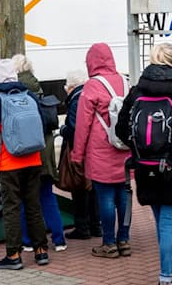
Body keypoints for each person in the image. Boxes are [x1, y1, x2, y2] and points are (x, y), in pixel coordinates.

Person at [115, 43, 172, 285]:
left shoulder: (136, 92)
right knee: (167, 223)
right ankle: (168, 277)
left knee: (161, 222)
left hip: (144, 166)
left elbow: (121, 128)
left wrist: (138, 148)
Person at [0, 59, 49, 270]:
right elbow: (42, 124)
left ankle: (13, 255)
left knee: (11, 209)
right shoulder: (29, 96)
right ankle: (41, 251)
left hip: (9, 163)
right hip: (33, 159)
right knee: (34, 206)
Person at [71, 42, 132, 258]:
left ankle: (109, 243)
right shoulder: (125, 81)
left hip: (101, 150)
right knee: (124, 197)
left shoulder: (91, 86)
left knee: (105, 198)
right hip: (124, 149)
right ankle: (124, 239)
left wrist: (77, 154)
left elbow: (83, 124)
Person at [12, 54, 66, 253]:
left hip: (29, 154)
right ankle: (59, 239)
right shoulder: (38, 88)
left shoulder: (17, 92)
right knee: (48, 197)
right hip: (47, 153)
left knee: (25, 199)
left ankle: (27, 240)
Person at [60, 69, 101, 241]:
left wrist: (63, 130)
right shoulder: (91, 95)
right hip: (94, 150)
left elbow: (75, 129)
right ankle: (96, 225)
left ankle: (82, 227)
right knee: (93, 188)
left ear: (70, 86)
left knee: (79, 189)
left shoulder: (76, 100)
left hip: (80, 151)